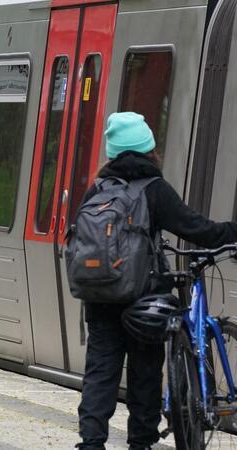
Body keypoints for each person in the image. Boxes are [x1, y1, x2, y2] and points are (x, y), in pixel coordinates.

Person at [76, 112, 237, 450]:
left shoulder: (98, 189)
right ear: (149, 149)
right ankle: (140, 443)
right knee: (145, 373)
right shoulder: (154, 189)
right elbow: (198, 230)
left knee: (100, 373)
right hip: (143, 299)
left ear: (113, 151)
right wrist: (232, 232)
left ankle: (91, 443)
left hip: (100, 295)